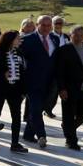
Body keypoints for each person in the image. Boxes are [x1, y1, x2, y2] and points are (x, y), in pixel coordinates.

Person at [19, 15, 61, 148]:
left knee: (40, 107)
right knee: (36, 109)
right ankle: (41, 135)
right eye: (43, 25)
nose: (46, 28)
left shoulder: (55, 38)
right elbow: (19, 59)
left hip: (49, 82)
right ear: (37, 25)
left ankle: (28, 134)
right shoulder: (27, 40)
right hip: (32, 81)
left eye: (49, 25)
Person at [55, 25, 83, 150]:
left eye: (82, 36)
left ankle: (68, 128)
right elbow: (59, 72)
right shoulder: (63, 50)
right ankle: (71, 140)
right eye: (76, 35)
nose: (79, 38)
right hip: (69, 89)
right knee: (68, 114)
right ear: (70, 35)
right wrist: (61, 89)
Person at [0, 30, 27, 152]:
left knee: (16, 116)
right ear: (10, 39)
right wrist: (1, 74)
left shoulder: (19, 52)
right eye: (17, 38)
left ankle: (15, 143)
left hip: (14, 89)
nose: (19, 40)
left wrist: (23, 90)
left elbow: (23, 71)